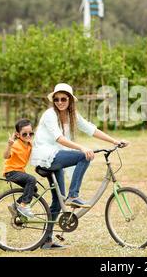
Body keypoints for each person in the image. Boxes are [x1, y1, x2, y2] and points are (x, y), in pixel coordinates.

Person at [31, 83, 129, 250]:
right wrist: (82, 147)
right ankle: (73, 195)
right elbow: (59, 139)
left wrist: (114, 141)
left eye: (63, 99)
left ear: (70, 100)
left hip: (56, 156)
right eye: (56, 99)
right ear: (53, 101)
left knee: (57, 200)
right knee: (84, 156)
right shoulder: (49, 114)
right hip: (47, 155)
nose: (60, 102)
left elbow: (91, 130)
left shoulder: (72, 115)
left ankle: (47, 241)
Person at [3, 118, 37, 219]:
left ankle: (15, 205)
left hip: (19, 171)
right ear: (18, 135)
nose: (28, 136)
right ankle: (23, 206)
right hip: (11, 171)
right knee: (31, 179)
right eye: (24, 134)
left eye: (30, 134)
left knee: (33, 189)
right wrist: (9, 145)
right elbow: (5, 156)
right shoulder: (16, 144)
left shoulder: (30, 144)